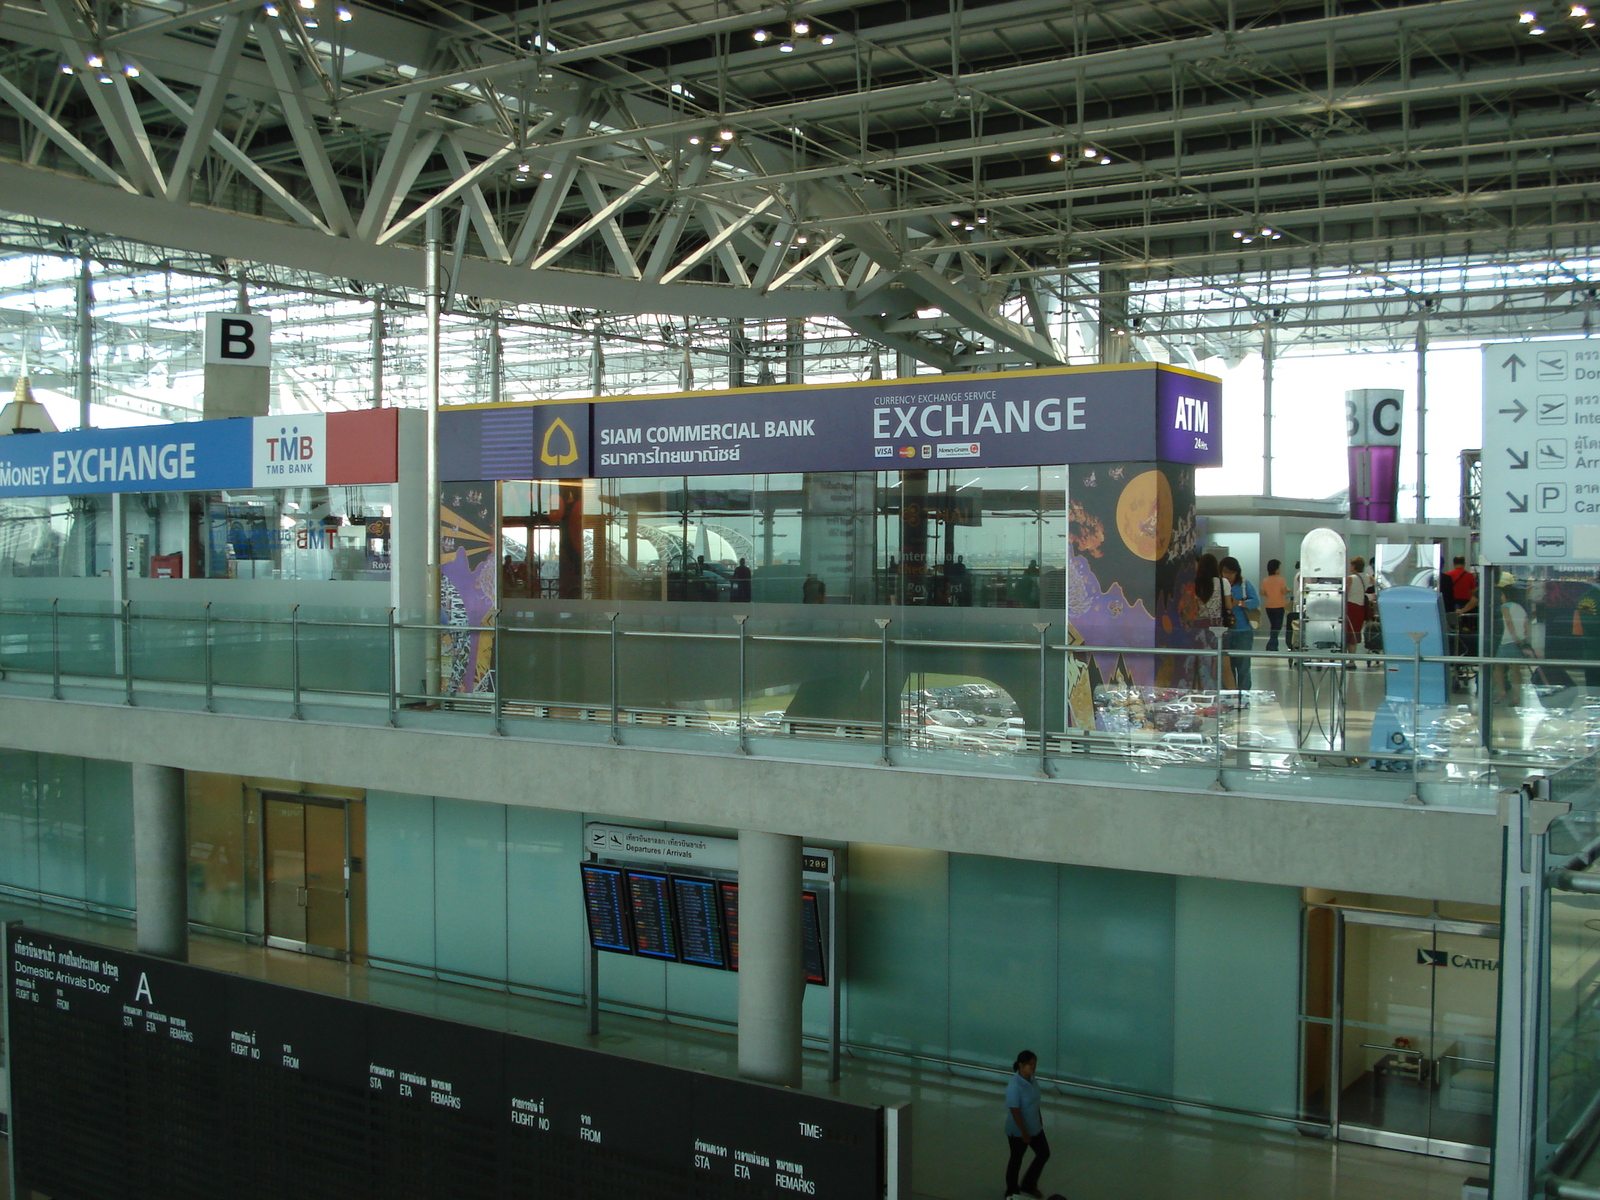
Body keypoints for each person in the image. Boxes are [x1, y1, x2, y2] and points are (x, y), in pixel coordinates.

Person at [1003, 1050, 1049, 1200]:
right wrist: (1024, 1133)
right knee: (1016, 1159)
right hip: (1018, 1132)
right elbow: (1015, 1111)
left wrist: (1039, 1120)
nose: (1033, 1067)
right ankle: (1011, 1191)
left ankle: (1028, 1184)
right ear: (1021, 1065)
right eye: (1030, 1064)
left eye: (1034, 1064)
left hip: (1034, 1127)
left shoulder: (1032, 1080)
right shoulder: (1015, 1085)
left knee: (1043, 1153)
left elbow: (1035, 1103)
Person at [1220, 556, 1258, 693]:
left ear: (1237, 572)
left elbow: (1256, 602)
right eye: (1224, 572)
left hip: (1243, 631)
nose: (1227, 575)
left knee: (1243, 666)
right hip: (1224, 631)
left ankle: (1244, 694)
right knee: (1226, 666)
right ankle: (1230, 694)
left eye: (1231, 572)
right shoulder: (1219, 585)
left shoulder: (1244, 584)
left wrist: (1240, 603)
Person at [1260, 559, 1288, 651]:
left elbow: (1263, 593)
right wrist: (1289, 590)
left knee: (1273, 626)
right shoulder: (1281, 580)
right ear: (1276, 569)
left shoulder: (1265, 580)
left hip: (1269, 606)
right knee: (1277, 627)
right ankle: (1271, 645)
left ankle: (1273, 645)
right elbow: (1284, 591)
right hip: (1279, 605)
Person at [1345, 557, 1368, 665]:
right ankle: (1352, 659)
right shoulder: (1367, 577)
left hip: (1350, 607)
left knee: (1347, 633)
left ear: (1354, 565)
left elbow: (1345, 593)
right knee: (1355, 633)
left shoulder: (1351, 578)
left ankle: (1347, 658)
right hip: (1361, 607)